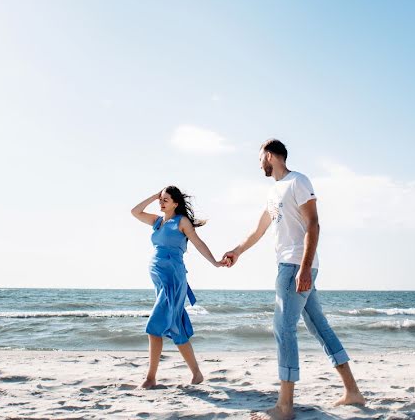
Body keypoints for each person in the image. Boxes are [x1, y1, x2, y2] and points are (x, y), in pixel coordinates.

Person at [222, 139, 365, 419]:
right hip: (291, 265)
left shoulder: (298, 181)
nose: (259, 163)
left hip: (294, 265)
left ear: (271, 156)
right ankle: (352, 391)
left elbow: (314, 223)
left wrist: (304, 266)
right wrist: (237, 251)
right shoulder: (273, 192)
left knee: (283, 329)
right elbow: (259, 229)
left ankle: (285, 407)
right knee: (318, 327)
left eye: (260, 157)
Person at [131, 186, 222, 388]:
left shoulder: (181, 222)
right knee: (177, 328)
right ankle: (197, 374)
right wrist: (154, 195)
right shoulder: (156, 221)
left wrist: (215, 262)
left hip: (172, 278)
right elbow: (135, 211)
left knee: (154, 327)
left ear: (176, 203)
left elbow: (198, 243)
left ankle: (150, 378)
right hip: (159, 280)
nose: (161, 203)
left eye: (165, 199)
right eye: (160, 199)